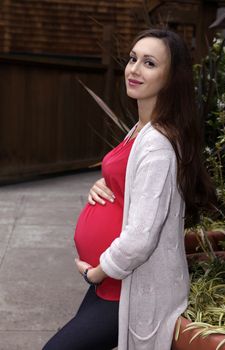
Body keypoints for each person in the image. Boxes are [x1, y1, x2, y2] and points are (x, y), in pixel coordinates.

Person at [42, 29, 216, 350]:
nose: (134, 69)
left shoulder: (159, 145)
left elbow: (141, 238)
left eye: (149, 63)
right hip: (112, 284)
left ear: (171, 77)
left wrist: (96, 272)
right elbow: (130, 184)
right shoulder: (142, 129)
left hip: (127, 287)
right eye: (133, 58)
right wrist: (104, 184)